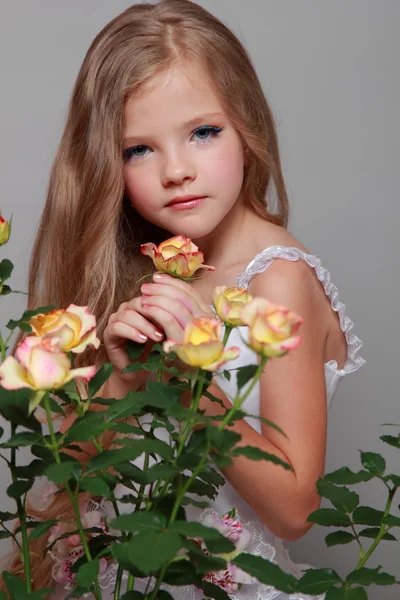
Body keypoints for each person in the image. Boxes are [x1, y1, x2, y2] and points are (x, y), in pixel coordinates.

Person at [1, 1, 365, 598]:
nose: (176, 170)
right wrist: (123, 383)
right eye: (136, 149)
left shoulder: (278, 280)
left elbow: (297, 509)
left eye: (203, 132)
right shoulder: (145, 265)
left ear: (246, 123)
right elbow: (78, 475)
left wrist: (193, 384)